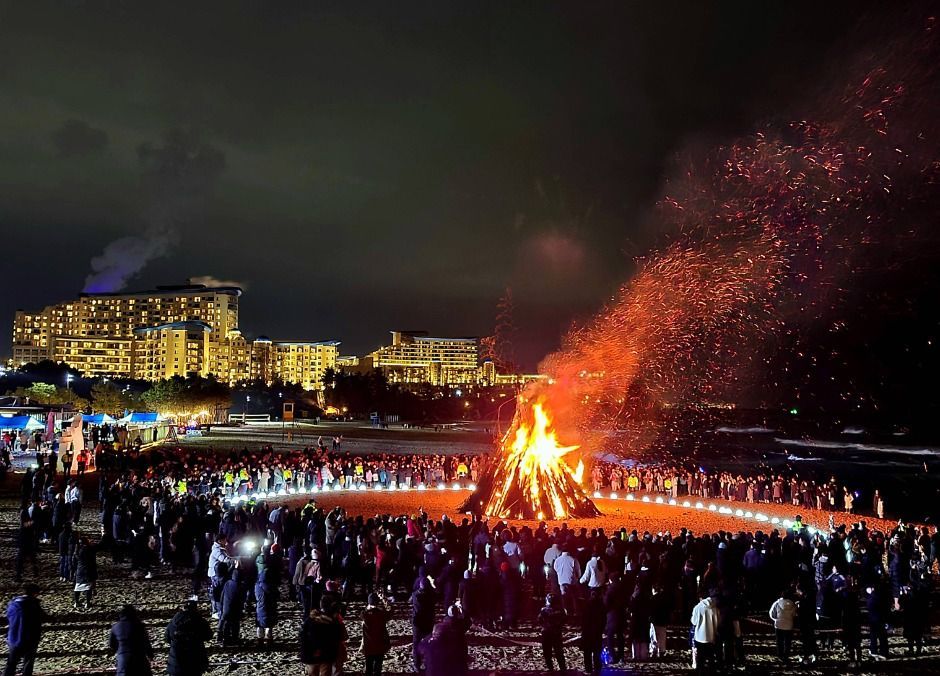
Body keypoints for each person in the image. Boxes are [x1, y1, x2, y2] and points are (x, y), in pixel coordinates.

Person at [4, 584, 47, 676]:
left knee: (11, 663)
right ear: (35, 593)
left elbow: (8, 617)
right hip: (30, 638)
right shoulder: (33, 605)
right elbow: (43, 617)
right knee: (28, 663)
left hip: (14, 637)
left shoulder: (12, 603)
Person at [165, 600, 213, 676]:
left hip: (176, 661)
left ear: (183, 608)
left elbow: (167, 638)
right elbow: (209, 636)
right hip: (195, 659)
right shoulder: (200, 621)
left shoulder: (173, 622)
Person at [300, 598, 343, 676]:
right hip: (326, 654)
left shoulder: (310, 620)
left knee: (313, 673)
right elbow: (338, 637)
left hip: (312, 654)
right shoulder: (333, 622)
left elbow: (303, 638)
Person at [108, 604, 154, 676]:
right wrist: (150, 655)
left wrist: (119, 651)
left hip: (123, 660)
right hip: (139, 659)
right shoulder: (139, 625)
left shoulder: (115, 626)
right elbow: (146, 642)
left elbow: (112, 644)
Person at [361, 593, 391, 676]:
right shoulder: (382, 614)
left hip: (368, 645)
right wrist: (384, 599)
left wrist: (369, 607)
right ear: (378, 602)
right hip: (380, 644)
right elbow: (390, 610)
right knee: (378, 667)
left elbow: (365, 611)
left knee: (368, 667)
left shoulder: (364, 614)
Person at [410, 576, 436, 671]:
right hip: (428, 622)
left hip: (417, 622)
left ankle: (417, 664)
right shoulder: (432, 595)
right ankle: (428, 663)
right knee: (428, 643)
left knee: (416, 644)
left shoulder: (415, 595)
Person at [690, 589, 719, 671]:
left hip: (700, 637)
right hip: (711, 636)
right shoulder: (715, 607)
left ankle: (700, 672)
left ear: (700, 598)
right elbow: (718, 622)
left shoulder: (697, 608)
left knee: (700, 659)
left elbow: (694, 622)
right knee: (711, 657)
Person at [538, 593, 567, 672]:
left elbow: (539, 620)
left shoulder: (544, 610)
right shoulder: (561, 610)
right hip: (556, 633)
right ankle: (562, 668)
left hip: (546, 633)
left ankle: (550, 668)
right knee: (559, 652)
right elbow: (564, 620)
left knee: (547, 653)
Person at [580, 588, 605, 674]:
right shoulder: (601, 605)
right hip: (597, 632)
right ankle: (597, 667)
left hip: (588, 632)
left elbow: (583, 620)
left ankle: (588, 668)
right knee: (596, 651)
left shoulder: (586, 605)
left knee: (587, 652)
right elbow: (603, 619)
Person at [769, 590, 797, 662]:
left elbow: (772, 613)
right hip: (789, 626)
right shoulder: (793, 604)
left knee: (779, 641)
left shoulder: (777, 603)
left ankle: (780, 655)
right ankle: (786, 655)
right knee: (788, 642)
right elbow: (794, 615)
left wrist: (776, 619)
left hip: (779, 624)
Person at [254, 566, 279, 647]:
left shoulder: (257, 586)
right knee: (269, 624)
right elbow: (277, 595)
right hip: (270, 607)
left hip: (260, 607)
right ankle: (268, 639)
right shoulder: (272, 587)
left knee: (260, 624)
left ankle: (260, 640)